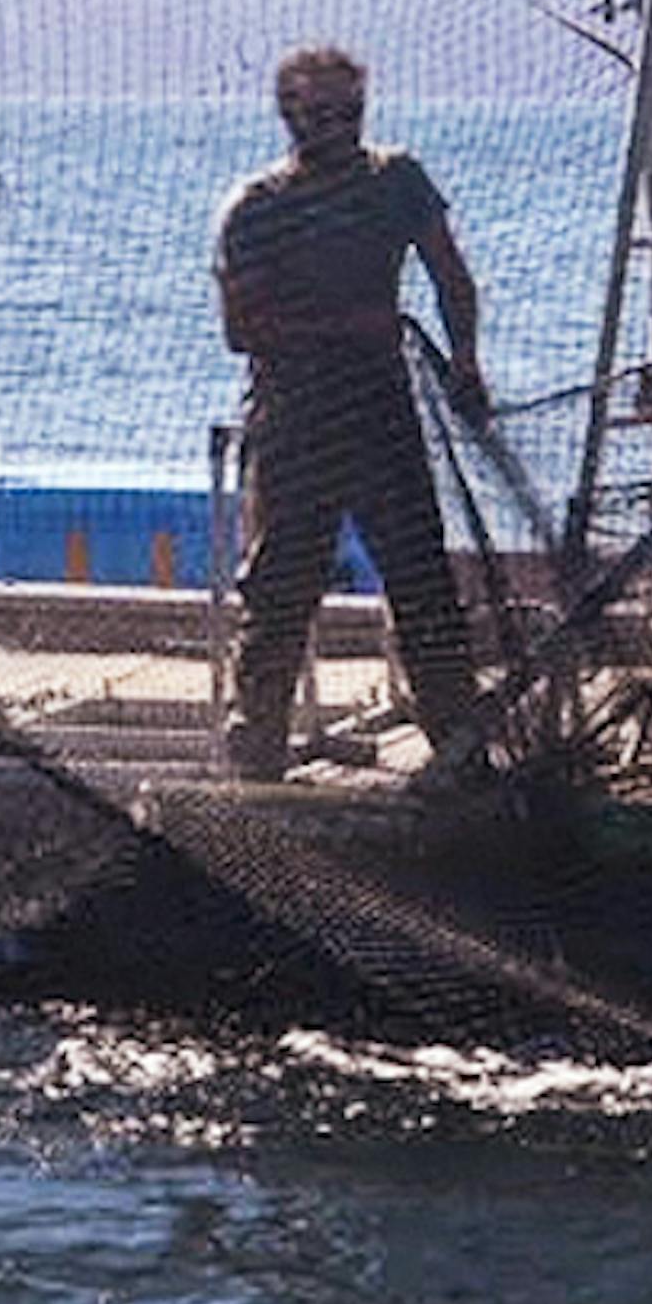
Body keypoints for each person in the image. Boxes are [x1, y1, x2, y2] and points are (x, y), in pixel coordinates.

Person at [211, 43, 491, 781]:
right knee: (280, 587)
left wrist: (466, 361)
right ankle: (255, 761)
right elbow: (242, 329)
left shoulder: (397, 181)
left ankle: (459, 751)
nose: (337, 126)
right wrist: (348, 326)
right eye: (319, 113)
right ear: (288, 115)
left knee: (422, 578)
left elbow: (451, 276)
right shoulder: (256, 207)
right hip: (295, 416)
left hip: (382, 410)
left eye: (350, 111)